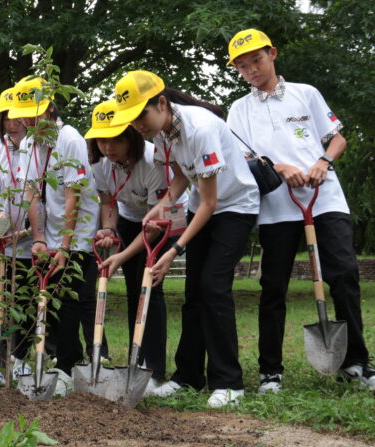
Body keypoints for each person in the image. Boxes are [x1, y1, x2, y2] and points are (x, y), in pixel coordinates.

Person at [225, 29, 375, 392]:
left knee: (344, 275)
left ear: (272, 54)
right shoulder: (239, 110)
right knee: (273, 286)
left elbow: (337, 136)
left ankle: (357, 363)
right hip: (277, 207)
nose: (251, 71)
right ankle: (271, 372)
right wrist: (278, 168)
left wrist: (324, 161)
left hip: (324, 199)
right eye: (242, 67)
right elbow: (240, 159)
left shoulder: (305, 94)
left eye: (256, 60)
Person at [109, 70, 260, 407]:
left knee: (213, 286)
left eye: (140, 115)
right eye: (131, 120)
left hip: (235, 207)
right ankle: (188, 376)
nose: (137, 125)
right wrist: (162, 205)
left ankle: (229, 383)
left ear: (162, 103)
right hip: (202, 207)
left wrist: (176, 248)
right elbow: (179, 176)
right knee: (194, 292)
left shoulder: (201, 128)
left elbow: (211, 202)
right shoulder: (163, 133)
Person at [88, 99, 182, 394]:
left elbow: (156, 222)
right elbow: (108, 202)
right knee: (133, 290)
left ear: (132, 135)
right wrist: (107, 228)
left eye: (116, 138)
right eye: (102, 139)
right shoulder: (101, 165)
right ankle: (136, 360)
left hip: (164, 220)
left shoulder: (154, 160)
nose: (108, 147)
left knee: (149, 288)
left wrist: (122, 255)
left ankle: (152, 368)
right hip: (130, 219)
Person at [12, 77, 99, 393]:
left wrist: (65, 245)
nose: (25, 120)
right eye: (21, 114)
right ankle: (69, 358)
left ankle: (66, 367)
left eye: (31, 114)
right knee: (49, 298)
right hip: (49, 234)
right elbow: (32, 193)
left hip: (78, 232)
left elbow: (73, 196)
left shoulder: (70, 139)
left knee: (71, 297)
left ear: (49, 108)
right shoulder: (27, 144)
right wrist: (37, 239)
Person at [0, 87, 34, 386]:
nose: (12, 123)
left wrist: (26, 229)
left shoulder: (36, 147)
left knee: (24, 298)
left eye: (16, 117)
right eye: (6, 118)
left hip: (27, 239)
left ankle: (21, 357)